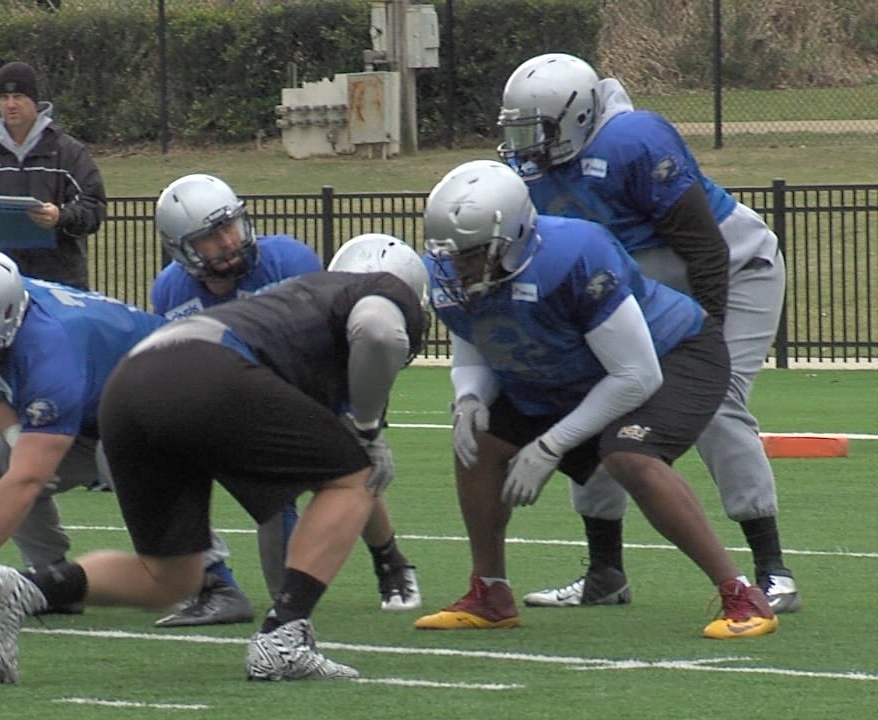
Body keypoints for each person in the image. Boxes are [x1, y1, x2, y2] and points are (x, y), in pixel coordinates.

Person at [0, 241, 430, 684]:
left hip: (129, 383)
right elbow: (380, 333)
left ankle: (29, 590)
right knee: (351, 476)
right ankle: (284, 637)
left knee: (171, 577)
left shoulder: (300, 304)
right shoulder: (379, 291)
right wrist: (368, 433)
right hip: (203, 368)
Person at [412, 160, 778, 640]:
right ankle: (490, 592)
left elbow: (635, 375)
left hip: (672, 355)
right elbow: (475, 341)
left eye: (472, 253)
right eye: (451, 253)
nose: (457, 266)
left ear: (517, 235)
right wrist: (469, 399)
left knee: (630, 453)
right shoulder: (448, 271)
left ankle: (741, 594)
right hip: (571, 368)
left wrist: (549, 446)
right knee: (478, 442)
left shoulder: (575, 255)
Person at [495, 52, 798, 613]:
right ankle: (605, 574)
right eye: (519, 130)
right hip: (640, 288)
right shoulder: (528, 173)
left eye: (538, 129)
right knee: (597, 405)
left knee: (718, 404)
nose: (526, 144)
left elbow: (705, 247)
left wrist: (704, 342)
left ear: (580, 117)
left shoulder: (632, 142)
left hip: (732, 269)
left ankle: (773, 571)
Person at [148, 173, 421, 626]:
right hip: (237, 394)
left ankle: (387, 560)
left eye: (231, 226)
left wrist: (354, 416)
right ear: (182, 248)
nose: (229, 241)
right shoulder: (171, 292)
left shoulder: (289, 260)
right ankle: (224, 586)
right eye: (212, 237)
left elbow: (329, 337)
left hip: (310, 378)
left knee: (347, 464)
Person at [0, 247, 166, 621]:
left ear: (3, 315)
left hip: (169, 402)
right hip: (100, 409)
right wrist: (19, 439)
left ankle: (212, 577)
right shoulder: (3, 320)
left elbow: (29, 478)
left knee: (116, 452)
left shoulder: (49, 348)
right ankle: (51, 578)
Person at [0, 61, 106, 289]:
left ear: (35, 102)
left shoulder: (68, 153)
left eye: (18, 96)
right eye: (4, 98)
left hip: (61, 281)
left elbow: (93, 206)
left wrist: (60, 217)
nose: (11, 105)